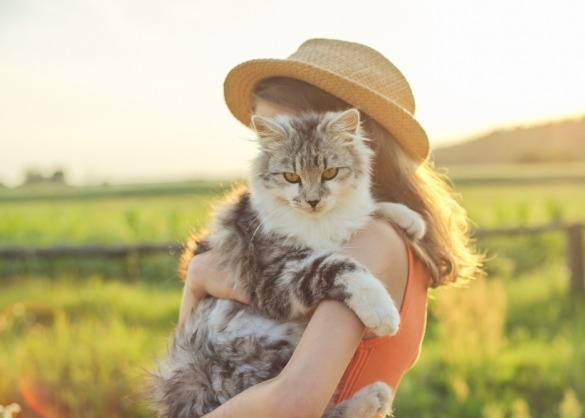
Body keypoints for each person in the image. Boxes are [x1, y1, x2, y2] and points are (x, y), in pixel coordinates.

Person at [178, 38, 483, 418]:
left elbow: (293, 402)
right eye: (267, 139)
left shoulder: (370, 240)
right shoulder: (383, 228)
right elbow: (194, 351)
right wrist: (197, 281)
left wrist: (201, 277)